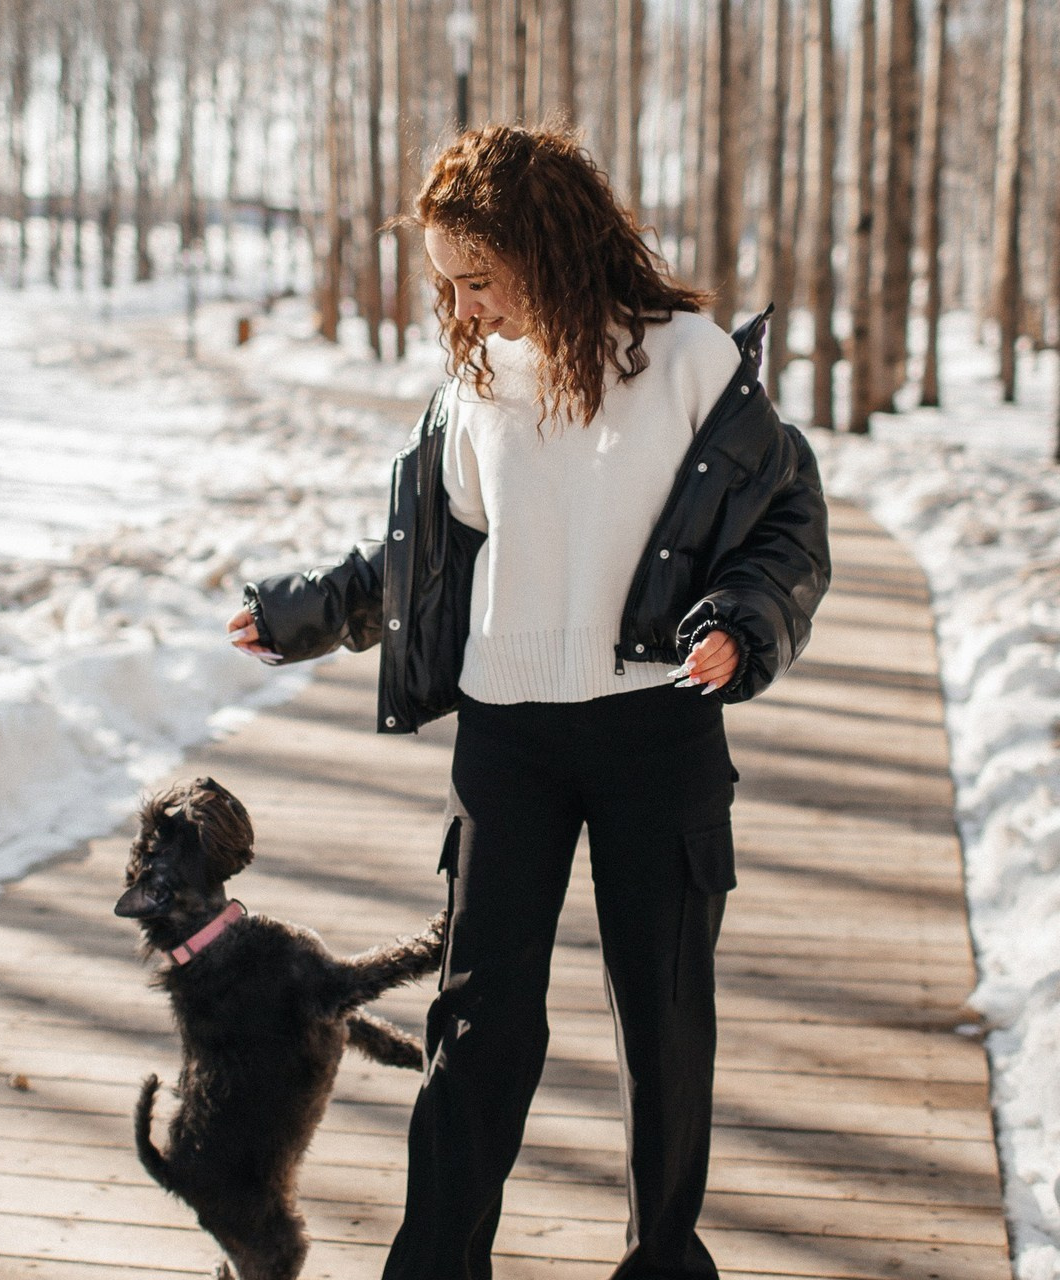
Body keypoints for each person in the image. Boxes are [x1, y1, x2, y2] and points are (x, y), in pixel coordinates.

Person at [226, 124, 830, 1280]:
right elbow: (431, 552)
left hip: (656, 726)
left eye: (477, 277)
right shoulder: (479, 378)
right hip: (507, 733)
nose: (461, 306)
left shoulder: (687, 359)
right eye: (446, 283)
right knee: (477, 1017)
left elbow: (783, 525)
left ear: (547, 245)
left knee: (662, 1017)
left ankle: (663, 1262)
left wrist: (741, 623)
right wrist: (317, 606)